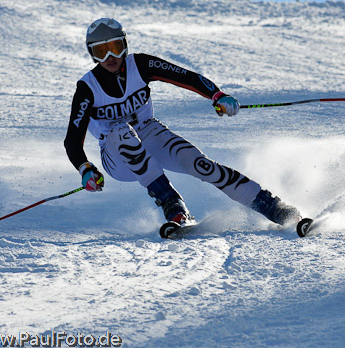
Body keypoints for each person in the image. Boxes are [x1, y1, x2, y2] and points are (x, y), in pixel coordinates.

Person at [64, 18, 302, 228]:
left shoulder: (141, 65)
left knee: (200, 164)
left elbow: (185, 76)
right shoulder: (88, 88)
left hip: (149, 132)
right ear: (92, 54)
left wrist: (217, 95)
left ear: (124, 45)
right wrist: (85, 169)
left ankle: (273, 207)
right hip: (116, 155)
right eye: (101, 51)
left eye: (115, 47)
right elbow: (72, 140)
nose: (110, 57)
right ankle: (174, 206)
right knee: (120, 130)